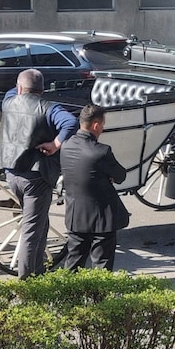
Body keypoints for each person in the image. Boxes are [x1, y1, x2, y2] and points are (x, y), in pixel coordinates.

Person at [0, 68, 78, 279]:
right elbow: (71, 122)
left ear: (20, 88)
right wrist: (55, 144)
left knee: (39, 223)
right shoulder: (49, 108)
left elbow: (13, 90)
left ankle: (39, 270)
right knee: (31, 231)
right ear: (43, 90)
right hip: (36, 176)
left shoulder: (8, 102)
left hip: (12, 173)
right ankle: (26, 283)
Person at [60, 104, 130, 270]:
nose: (103, 129)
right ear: (96, 125)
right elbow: (120, 176)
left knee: (73, 263)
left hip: (76, 214)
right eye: (103, 125)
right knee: (101, 265)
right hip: (102, 218)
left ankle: (69, 295)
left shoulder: (65, 146)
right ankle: (100, 296)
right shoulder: (101, 151)